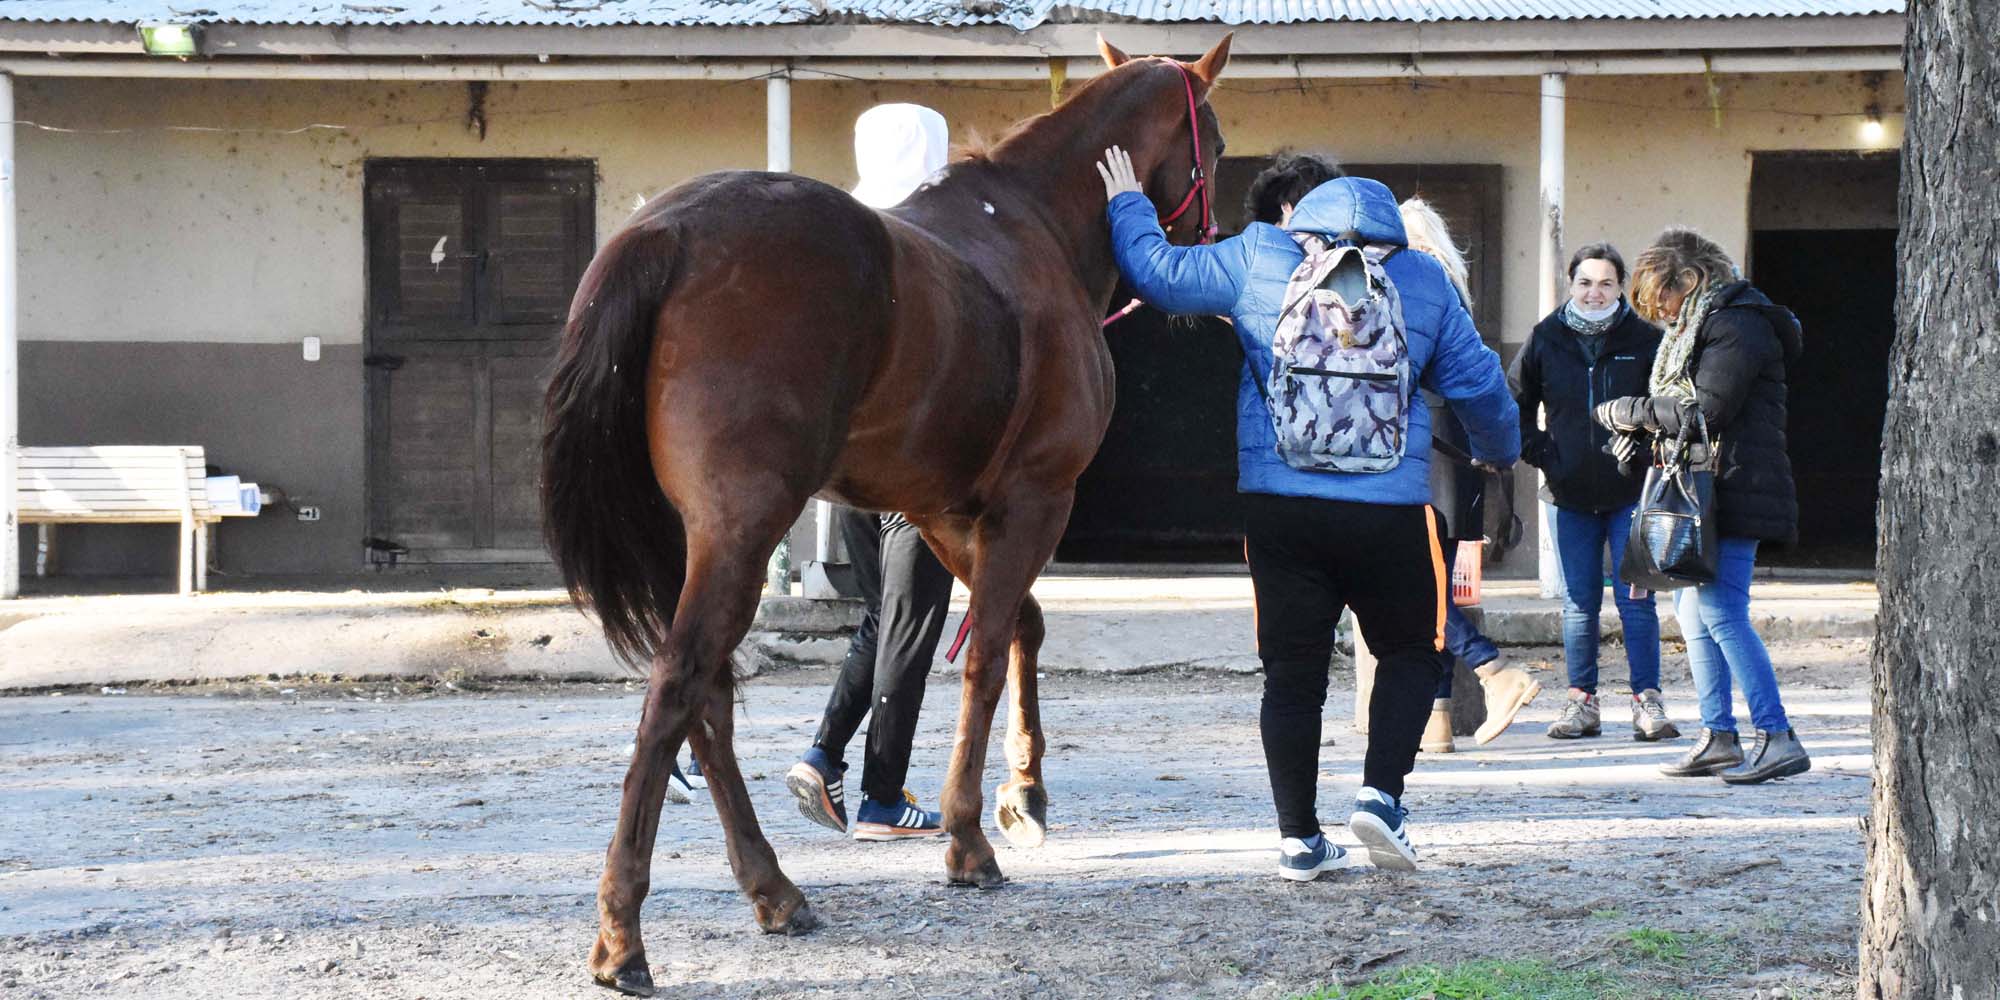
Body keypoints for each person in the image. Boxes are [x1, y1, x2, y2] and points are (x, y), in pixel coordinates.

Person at [1097, 147, 1520, 879]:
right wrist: (1496, 451)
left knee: (1292, 675)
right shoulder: (1419, 277)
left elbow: (1157, 275)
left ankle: (1298, 838)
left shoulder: (1260, 254)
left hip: (1281, 507)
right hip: (1389, 510)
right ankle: (1381, 798)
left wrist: (1127, 202)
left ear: (1305, 213)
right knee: (1413, 653)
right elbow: (1480, 385)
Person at [784, 104, 957, 840]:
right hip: (915, 469)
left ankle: (823, 755)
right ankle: (884, 798)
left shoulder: (838, 237)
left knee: (881, 620)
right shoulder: (937, 242)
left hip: (846, 471)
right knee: (910, 629)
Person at [1595, 227, 1811, 784]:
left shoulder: (1739, 324)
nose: (1659, 314)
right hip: (1708, 486)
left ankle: (1778, 735)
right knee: (1692, 614)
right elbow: (1687, 413)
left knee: (1720, 612)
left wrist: (1634, 409)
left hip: (1736, 487)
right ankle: (1718, 736)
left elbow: (1708, 410)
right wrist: (1641, 431)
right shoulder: (1703, 327)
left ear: (1689, 280)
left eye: (1660, 298)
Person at [1397, 197, 1543, 754]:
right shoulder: (1448, 285)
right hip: (1453, 451)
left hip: (1430, 448)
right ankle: (1436, 720)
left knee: (1420, 582)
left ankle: (1494, 670)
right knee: (1428, 582)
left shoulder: (1420, 281)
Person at [1512, 244, 1676, 741]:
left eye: (1605, 283)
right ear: (1571, 285)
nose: (1594, 292)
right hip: (1570, 495)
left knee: (1636, 603)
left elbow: (1668, 406)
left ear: (1621, 286)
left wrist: (1646, 453)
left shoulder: (1646, 338)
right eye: (1585, 282)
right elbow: (1513, 402)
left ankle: (1648, 702)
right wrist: (1544, 455)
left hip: (1633, 495)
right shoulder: (1546, 337)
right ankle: (1581, 704)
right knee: (1579, 605)